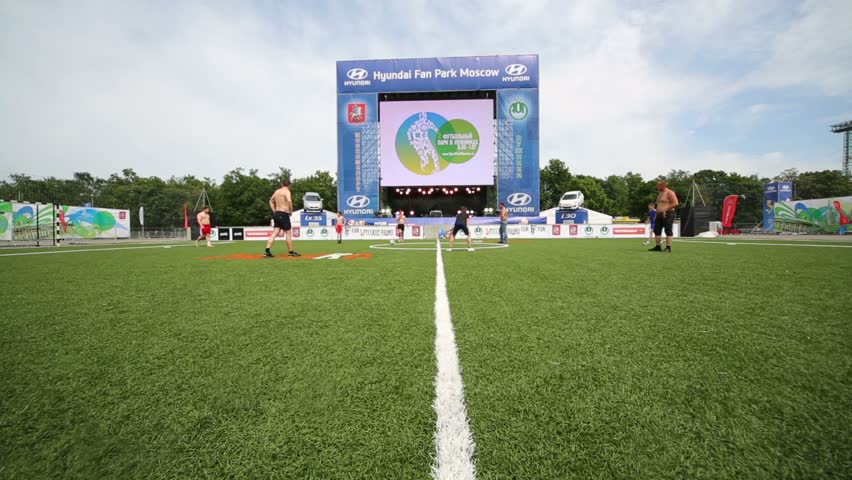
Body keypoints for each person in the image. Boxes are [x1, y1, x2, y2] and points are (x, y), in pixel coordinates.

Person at [264, 180, 301, 258]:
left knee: (275, 233)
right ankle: (291, 252)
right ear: (289, 185)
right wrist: (291, 211)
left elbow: (270, 201)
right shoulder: (287, 191)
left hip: (277, 213)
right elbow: (289, 201)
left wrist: (274, 211)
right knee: (288, 233)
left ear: (282, 184)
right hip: (283, 213)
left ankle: (267, 251)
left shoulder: (277, 191)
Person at [649, 181, 679, 252]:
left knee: (668, 229)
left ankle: (668, 247)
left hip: (668, 213)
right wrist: (657, 213)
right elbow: (659, 204)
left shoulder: (670, 192)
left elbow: (675, 203)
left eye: (658, 186)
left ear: (663, 186)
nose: (657, 187)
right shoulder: (660, 193)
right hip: (659, 214)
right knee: (657, 230)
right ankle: (658, 246)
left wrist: (665, 209)